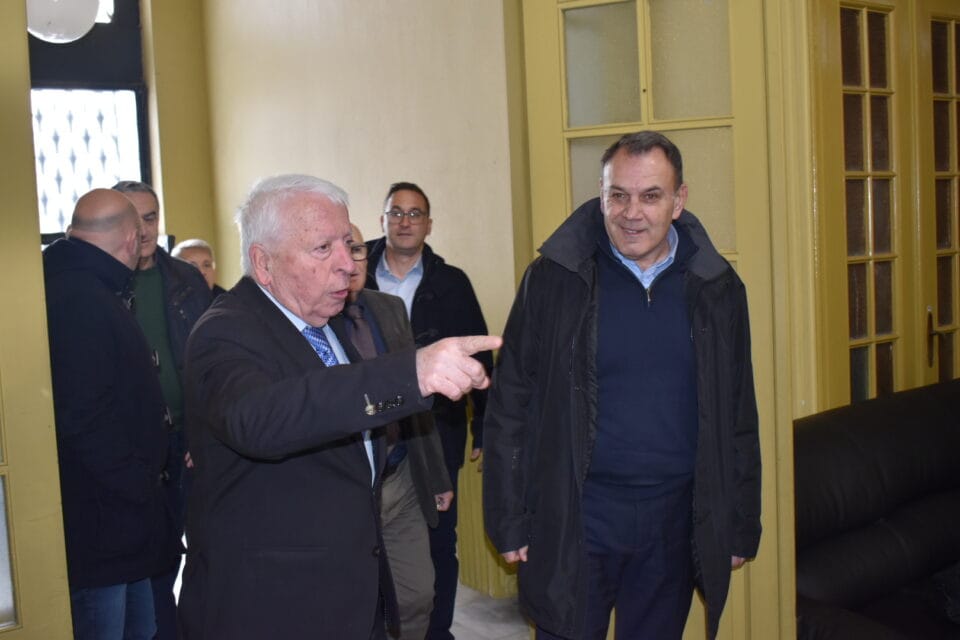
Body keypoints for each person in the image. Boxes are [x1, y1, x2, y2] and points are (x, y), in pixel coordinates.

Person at [178, 174, 500, 640]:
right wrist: (408, 374)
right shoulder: (225, 330)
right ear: (263, 263)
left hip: (348, 597)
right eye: (322, 248)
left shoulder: (324, 322)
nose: (348, 266)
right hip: (272, 607)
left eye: (348, 245)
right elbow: (261, 420)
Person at [483, 131, 762, 640]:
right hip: (577, 515)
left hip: (674, 521)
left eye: (651, 196)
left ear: (679, 200)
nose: (632, 213)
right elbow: (510, 404)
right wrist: (508, 517)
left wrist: (741, 522)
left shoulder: (717, 288)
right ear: (601, 194)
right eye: (618, 195)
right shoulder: (554, 279)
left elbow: (738, 412)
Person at [43, 188, 177, 640]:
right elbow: (83, 416)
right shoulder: (81, 297)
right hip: (105, 520)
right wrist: (139, 481)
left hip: (123, 519)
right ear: (132, 239)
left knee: (143, 627)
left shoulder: (83, 285)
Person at [365, 182, 493, 640]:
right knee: (369, 543)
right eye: (396, 212)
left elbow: (479, 356)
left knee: (439, 537)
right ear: (382, 220)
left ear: (429, 224)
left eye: (415, 213)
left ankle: (437, 632)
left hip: (436, 431)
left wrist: (485, 426)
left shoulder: (451, 282)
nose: (405, 221)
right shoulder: (353, 273)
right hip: (369, 431)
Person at [112, 180, 212, 640]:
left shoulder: (186, 280)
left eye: (151, 217)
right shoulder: (108, 282)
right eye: (134, 218)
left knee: (204, 547)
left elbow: (211, 360)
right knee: (150, 556)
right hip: (135, 445)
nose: (145, 228)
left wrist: (203, 432)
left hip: (189, 440)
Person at [346, 224, 453, 640]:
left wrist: (436, 475)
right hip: (350, 488)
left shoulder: (388, 309)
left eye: (356, 249)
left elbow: (413, 396)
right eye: (336, 248)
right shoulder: (312, 319)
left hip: (401, 476)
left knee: (417, 595)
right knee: (358, 605)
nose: (349, 260)